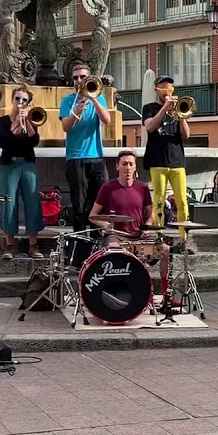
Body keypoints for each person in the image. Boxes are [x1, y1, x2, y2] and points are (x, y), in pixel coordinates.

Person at [90, 149, 170, 283]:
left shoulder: (142, 188)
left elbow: (151, 213)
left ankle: (165, 293)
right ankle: (116, 286)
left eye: (131, 164)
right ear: (117, 166)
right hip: (116, 235)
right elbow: (92, 216)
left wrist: (148, 225)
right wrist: (106, 225)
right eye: (124, 164)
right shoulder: (108, 188)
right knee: (113, 249)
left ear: (135, 167)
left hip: (138, 234)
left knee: (165, 250)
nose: (128, 168)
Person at [142, 75, 193, 251]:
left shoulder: (178, 109)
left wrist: (181, 115)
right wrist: (165, 107)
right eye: (164, 89)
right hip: (158, 160)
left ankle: (184, 239)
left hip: (177, 160)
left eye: (170, 89)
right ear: (157, 90)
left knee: (182, 201)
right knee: (159, 200)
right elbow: (150, 127)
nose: (167, 92)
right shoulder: (149, 108)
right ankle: (159, 236)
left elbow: (186, 135)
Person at [60, 61, 110, 233]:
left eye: (82, 77)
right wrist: (76, 111)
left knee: (100, 203)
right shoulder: (68, 101)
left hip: (96, 156)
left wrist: (94, 99)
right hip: (76, 158)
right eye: (75, 78)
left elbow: (106, 120)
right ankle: (80, 241)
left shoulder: (100, 97)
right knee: (79, 204)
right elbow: (65, 126)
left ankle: (98, 241)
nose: (79, 81)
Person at [0, 85, 44, 260]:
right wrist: (15, 125)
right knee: (7, 202)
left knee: (32, 201)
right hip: (8, 165)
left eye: (24, 100)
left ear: (28, 103)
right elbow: (2, 142)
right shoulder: (3, 121)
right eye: (17, 99)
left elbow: (34, 141)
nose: (21, 103)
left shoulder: (32, 119)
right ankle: (9, 244)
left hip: (27, 164)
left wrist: (29, 125)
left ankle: (33, 244)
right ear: (12, 100)